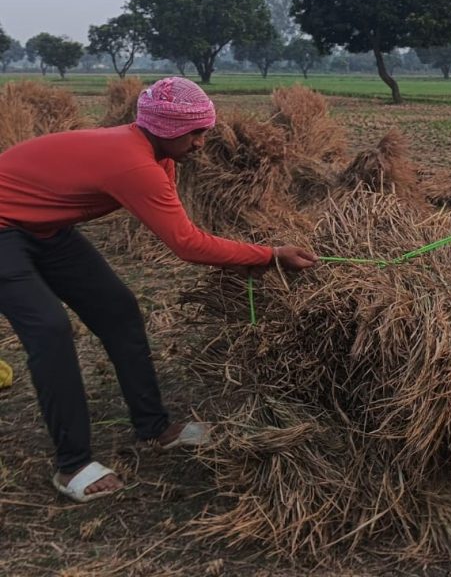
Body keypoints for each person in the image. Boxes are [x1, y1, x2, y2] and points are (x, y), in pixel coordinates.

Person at [0, 76, 317, 502]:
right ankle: (72, 464)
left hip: (45, 228)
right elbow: (186, 244)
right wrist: (269, 254)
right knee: (50, 331)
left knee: (119, 310)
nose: (201, 143)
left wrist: (251, 256)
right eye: (196, 133)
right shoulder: (133, 163)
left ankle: (155, 427)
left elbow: (182, 230)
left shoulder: (159, 158)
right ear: (167, 129)